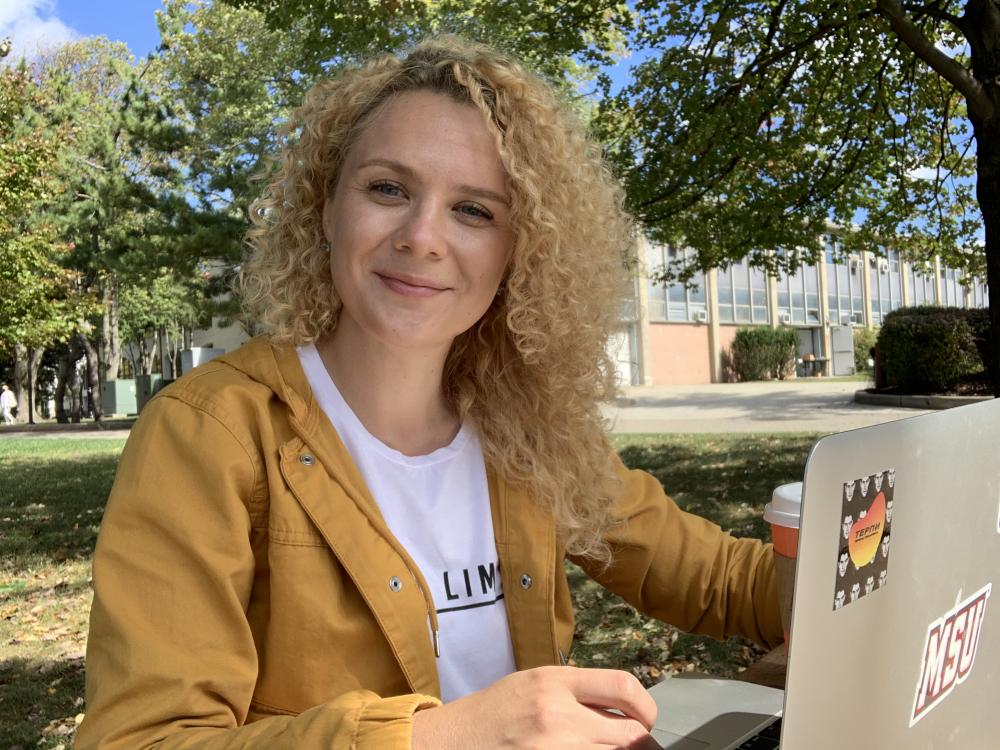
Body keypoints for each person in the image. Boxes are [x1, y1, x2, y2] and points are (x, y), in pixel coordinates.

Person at [77, 37, 782, 750]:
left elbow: (716, 579)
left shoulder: (525, 422)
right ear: (326, 211)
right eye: (388, 189)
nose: (421, 236)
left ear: (519, 251)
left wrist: (861, 567)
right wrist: (442, 736)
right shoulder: (212, 432)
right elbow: (139, 740)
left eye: (474, 211)